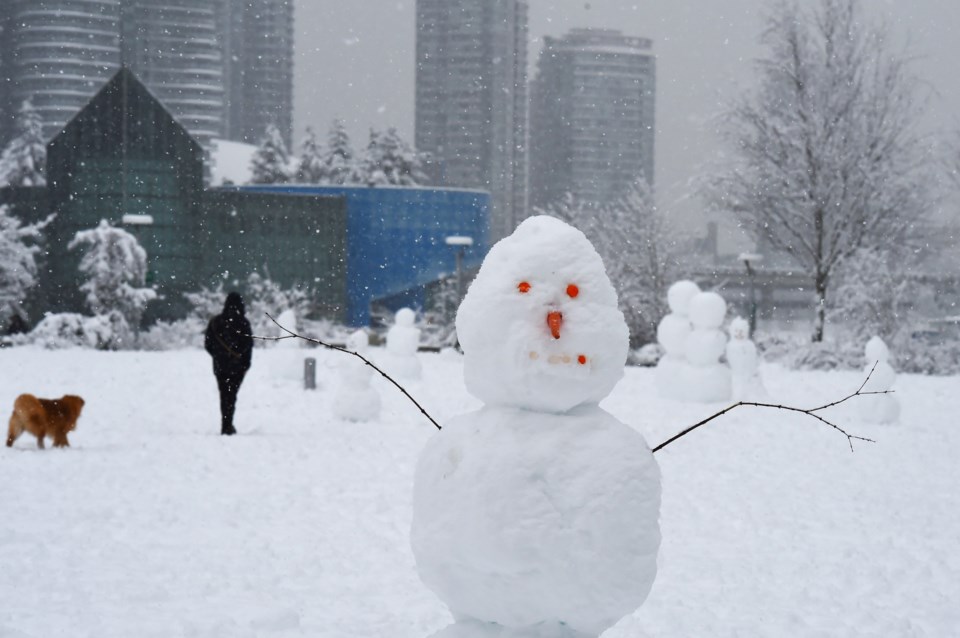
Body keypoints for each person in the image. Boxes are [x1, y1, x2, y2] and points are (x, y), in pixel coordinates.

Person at [204, 292, 254, 435]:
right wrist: (245, 364)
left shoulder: (215, 322)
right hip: (238, 367)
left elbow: (208, 344)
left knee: (224, 394)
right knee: (232, 395)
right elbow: (248, 346)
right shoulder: (244, 323)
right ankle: (228, 424)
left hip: (220, 366)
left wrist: (219, 356)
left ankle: (226, 424)